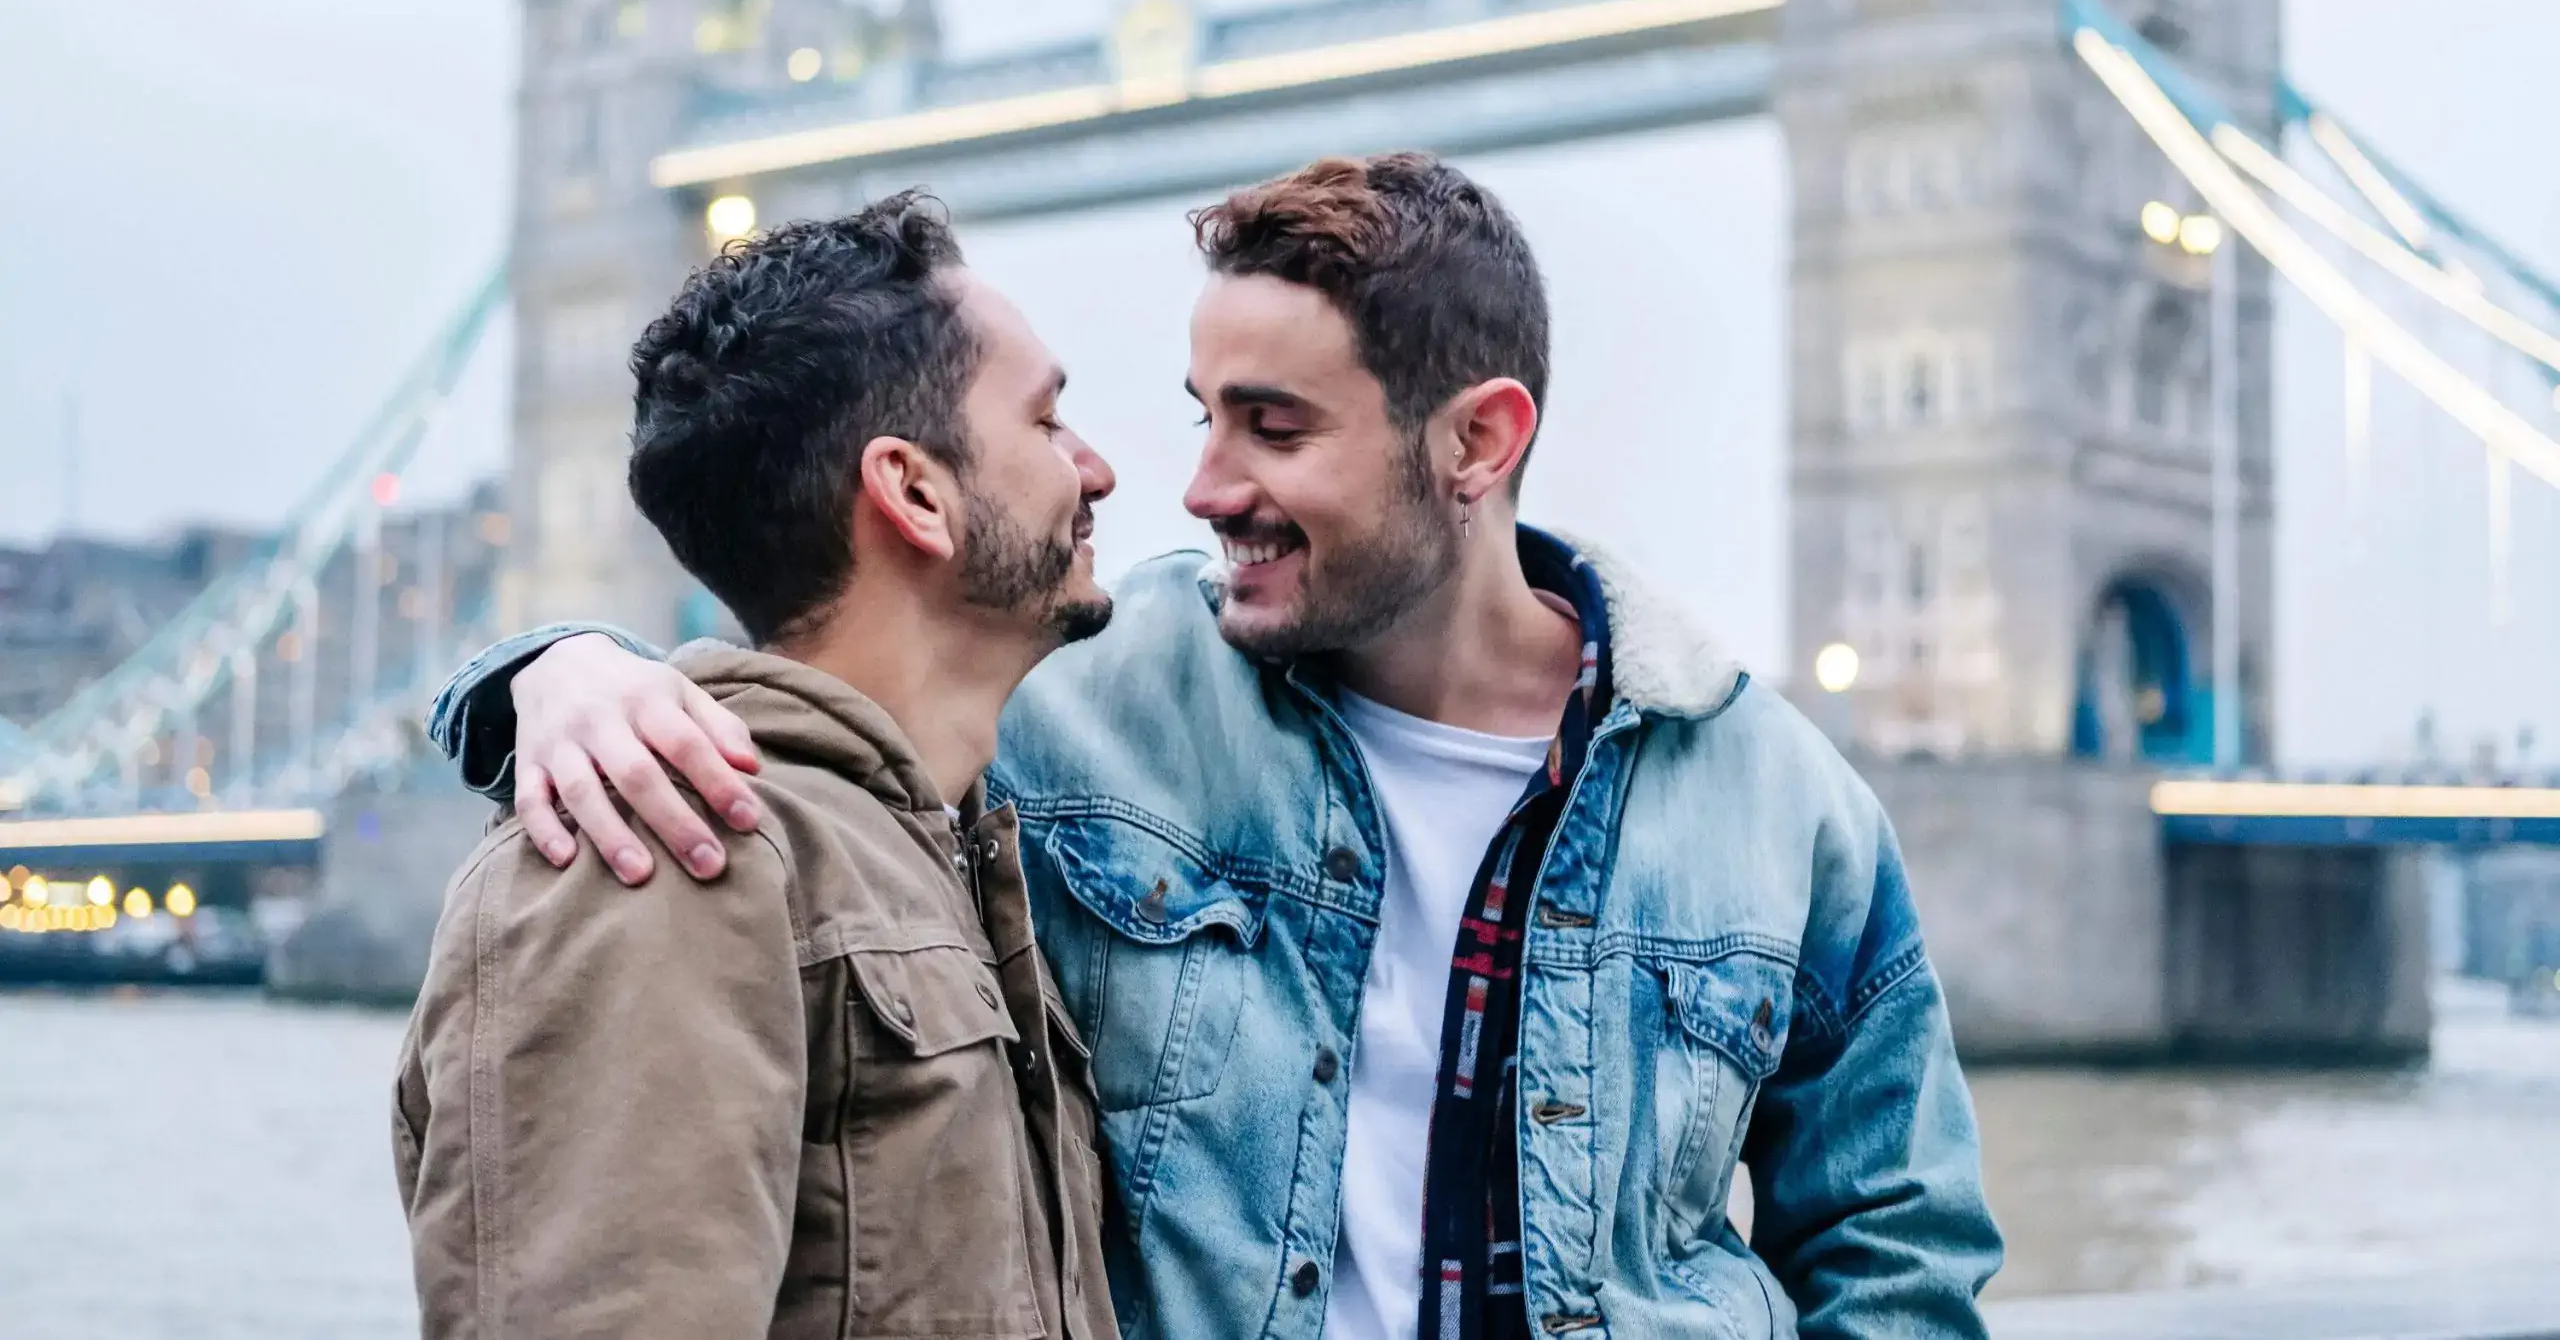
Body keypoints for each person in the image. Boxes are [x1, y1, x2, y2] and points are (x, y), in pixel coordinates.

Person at [432, 152, 2004, 1339]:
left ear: (1481, 439)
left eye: (1275, 426)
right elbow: (823, 677)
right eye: (1199, 414)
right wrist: (558, 674)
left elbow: (1898, 1251)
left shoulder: (1779, 801)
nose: (1194, 485)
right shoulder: (1084, 698)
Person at [395, 195, 1121, 1338]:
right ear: (915, 493)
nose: (1100, 470)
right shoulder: (655, 856)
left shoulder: (945, 847)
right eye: (1047, 424)